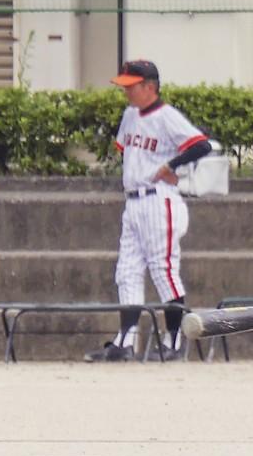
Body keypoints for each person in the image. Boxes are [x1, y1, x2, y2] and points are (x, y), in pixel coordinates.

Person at [85, 59, 212, 362]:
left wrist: (171, 165)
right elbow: (126, 151)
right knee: (126, 272)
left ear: (150, 87)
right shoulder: (130, 115)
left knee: (163, 269)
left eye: (132, 86)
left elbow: (201, 145)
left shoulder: (166, 116)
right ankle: (126, 342)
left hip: (160, 200)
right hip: (134, 201)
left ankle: (174, 340)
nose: (126, 91)